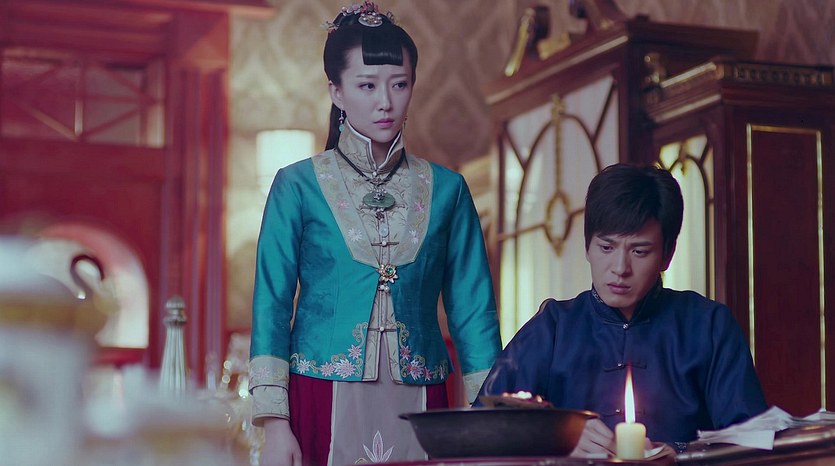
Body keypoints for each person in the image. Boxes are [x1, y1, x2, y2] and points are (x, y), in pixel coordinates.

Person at [248, 2, 502, 465]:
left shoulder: (448, 189)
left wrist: (485, 417)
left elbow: (473, 310)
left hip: (422, 393)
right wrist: (274, 425)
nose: (385, 101)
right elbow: (272, 303)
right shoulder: (297, 186)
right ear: (337, 91)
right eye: (367, 85)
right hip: (320, 389)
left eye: (399, 84)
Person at [476, 163, 768, 455]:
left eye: (639, 251)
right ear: (587, 246)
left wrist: (676, 452)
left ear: (667, 254)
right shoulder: (552, 328)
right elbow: (482, 427)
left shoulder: (708, 326)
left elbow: (753, 440)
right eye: (606, 248)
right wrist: (556, 438)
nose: (620, 268)